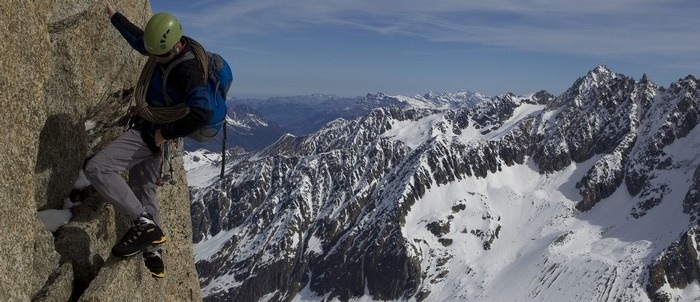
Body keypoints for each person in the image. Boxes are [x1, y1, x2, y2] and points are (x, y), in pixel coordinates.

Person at [84, 2, 214, 279]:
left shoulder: (187, 72)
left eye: (160, 54)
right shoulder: (165, 47)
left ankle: (143, 225)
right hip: (155, 132)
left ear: (174, 45)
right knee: (144, 187)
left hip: (152, 132)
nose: (154, 57)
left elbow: (203, 113)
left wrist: (164, 133)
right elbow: (142, 43)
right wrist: (115, 16)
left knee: (97, 168)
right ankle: (153, 250)